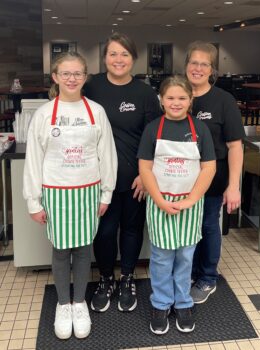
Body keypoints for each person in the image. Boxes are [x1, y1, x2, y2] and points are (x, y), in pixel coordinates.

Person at [23, 52, 117, 339]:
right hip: (55, 192)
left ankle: (79, 303)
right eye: (66, 73)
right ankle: (63, 304)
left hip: (88, 191)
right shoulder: (43, 114)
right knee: (61, 250)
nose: (72, 78)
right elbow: (34, 160)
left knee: (84, 249)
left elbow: (107, 155)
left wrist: (106, 193)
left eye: (77, 73)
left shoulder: (96, 111)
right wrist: (33, 200)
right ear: (55, 77)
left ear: (85, 77)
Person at [84, 32, 162, 313]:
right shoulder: (91, 87)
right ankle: (106, 278)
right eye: (113, 54)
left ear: (133, 59)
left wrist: (146, 173)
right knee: (104, 233)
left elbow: (153, 135)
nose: (119, 59)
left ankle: (127, 277)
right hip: (97, 179)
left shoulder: (144, 93)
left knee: (130, 230)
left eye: (124, 54)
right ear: (105, 58)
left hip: (135, 179)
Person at [138, 75, 216, 335]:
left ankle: (183, 302)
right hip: (159, 201)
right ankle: (161, 303)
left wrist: (191, 199)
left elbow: (208, 167)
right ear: (161, 100)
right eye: (170, 97)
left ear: (191, 100)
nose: (176, 102)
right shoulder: (153, 128)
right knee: (161, 257)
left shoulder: (199, 129)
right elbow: (145, 168)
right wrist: (159, 200)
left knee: (185, 256)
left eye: (182, 98)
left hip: (190, 203)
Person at [184, 41, 245, 304]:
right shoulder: (177, 95)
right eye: (193, 62)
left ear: (212, 70)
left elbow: (235, 146)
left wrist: (233, 186)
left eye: (204, 64)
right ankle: (189, 272)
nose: (197, 68)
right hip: (180, 178)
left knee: (208, 225)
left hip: (213, 178)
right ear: (186, 65)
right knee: (186, 227)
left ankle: (207, 277)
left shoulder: (223, 101)